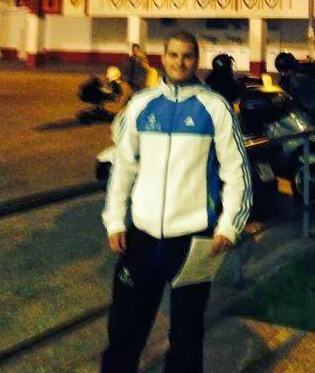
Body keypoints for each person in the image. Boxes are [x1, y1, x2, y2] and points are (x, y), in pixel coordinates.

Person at [100, 30, 252, 373]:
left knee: (186, 336)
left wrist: (229, 224)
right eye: (173, 55)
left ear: (195, 60)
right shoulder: (140, 104)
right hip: (141, 238)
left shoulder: (215, 107)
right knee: (124, 331)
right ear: (162, 58)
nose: (179, 62)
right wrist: (115, 220)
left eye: (187, 56)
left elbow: (236, 170)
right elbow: (123, 166)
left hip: (192, 242)